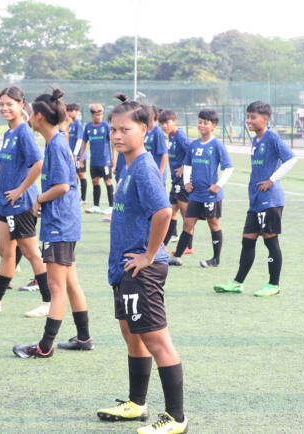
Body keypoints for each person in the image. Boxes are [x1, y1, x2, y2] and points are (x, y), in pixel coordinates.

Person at [95, 95, 187, 434]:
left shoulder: (145, 167)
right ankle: (136, 403)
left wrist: (149, 254)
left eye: (125, 129)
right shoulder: (128, 166)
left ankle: (177, 418)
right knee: (131, 334)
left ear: (144, 130)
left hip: (142, 269)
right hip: (125, 268)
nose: (117, 136)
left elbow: (163, 212)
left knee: (156, 340)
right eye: (113, 130)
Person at [12, 88, 94, 357]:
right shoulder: (57, 141)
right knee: (70, 283)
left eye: (30, 113)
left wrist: (39, 200)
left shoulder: (57, 144)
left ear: (39, 117)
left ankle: (44, 347)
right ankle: (83, 338)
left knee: (57, 288)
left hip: (59, 223)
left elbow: (61, 186)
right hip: (63, 222)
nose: (28, 118)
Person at [0, 86, 52, 317]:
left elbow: (38, 163)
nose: (5, 108)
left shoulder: (23, 131)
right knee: (6, 252)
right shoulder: (9, 133)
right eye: (2, 104)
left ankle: (49, 300)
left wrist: (19, 190)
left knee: (31, 252)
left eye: (9, 104)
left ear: (21, 105)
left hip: (20, 204)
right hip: (4, 204)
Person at [214, 101, 297, 297]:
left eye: (253, 117)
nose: (248, 121)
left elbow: (292, 159)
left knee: (270, 241)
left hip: (271, 200)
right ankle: (238, 282)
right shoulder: (256, 140)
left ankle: (273, 284)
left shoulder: (272, 138)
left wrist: (272, 179)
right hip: (256, 200)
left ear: (265, 118)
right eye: (248, 116)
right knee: (248, 240)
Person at [169, 109, 233, 268]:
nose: (201, 125)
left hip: (211, 195)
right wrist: (186, 182)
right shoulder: (194, 144)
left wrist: (218, 185)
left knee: (213, 224)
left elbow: (228, 168)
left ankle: (216, 259)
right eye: (200, 122)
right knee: (188, 224)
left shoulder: (217, 145)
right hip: (195, 194)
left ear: (213, 126)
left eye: (205, 123)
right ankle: (177, 256)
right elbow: (187, 164)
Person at [159, 109, 192, 250]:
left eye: (167, 122)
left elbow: (191, 151)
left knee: (185, 215)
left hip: (182, 180)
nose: (165, 126)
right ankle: (165, 243)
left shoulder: (180, 136)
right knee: (171, 212)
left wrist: (184, 167)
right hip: (175, 180)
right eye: (162, 123)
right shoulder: (171, 137)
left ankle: (188, 246)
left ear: (175, 122)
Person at [80, 103, 115, 215]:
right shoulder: (88, 127)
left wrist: (113, 157)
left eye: (101, 114)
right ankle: (96, 206)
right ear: (92, 115)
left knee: (108, 181)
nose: (99, 117)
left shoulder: (106, 126)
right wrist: (81, 157)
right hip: (94, 161)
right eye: (97, 115)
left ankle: (111, 206)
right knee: (95, 181)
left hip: (105, 160)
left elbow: (113, 142)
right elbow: (84, 142)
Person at [66, 103, 88, 204]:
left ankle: (83, 198)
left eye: (71, 111)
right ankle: (75, 195)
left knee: (81, 175)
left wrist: (75, 155)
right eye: (68, 111)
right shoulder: (70, 124)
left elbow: (80, 140)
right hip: (72, 155)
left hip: (78, 155)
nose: (69, 113)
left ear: (76, 112)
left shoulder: (78, 124)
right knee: (74, 175)